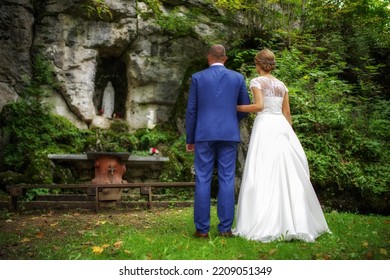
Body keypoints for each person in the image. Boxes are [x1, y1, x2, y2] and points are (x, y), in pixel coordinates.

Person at [232, 49, 330, 242]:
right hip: (281, 126)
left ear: (258, 64)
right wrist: (290, 134)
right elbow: (287, 114)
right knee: (286, 171)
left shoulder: (256, 82)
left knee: (263, 169)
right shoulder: (282, 85)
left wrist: (235, 107)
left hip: (265, 125)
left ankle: (265, 220)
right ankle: (294, 219)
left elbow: (259, 106)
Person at [186, 44, 251, 238]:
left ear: (209, 58)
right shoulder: (238, 78)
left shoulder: (197, 78)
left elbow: (191, 110)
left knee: (203, 178)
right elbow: (244, 107)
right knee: (227, 178)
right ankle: (225, 229)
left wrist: (191, 138)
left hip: (203, 134)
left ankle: (202, 230)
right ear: (225, 58)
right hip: (228, 133)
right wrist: (231, 121)